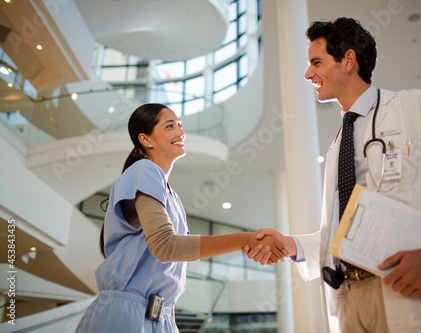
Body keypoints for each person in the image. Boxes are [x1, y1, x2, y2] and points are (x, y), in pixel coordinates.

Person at [244, 17, 421, 333]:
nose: (308, 74)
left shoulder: (416, 107)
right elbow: (346, 232)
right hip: (350, 299)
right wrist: (291, 244)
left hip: (410, 290)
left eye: (316, 62)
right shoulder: (339, 143)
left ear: (348, 60)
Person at [76, 103, 287, 333]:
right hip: (128, 316)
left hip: (162, 316)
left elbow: (172, 267)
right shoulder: (144, 170)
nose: (180, 132)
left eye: (180, 125)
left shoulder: (172, 197)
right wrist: (246, 240)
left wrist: (170, 317)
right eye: (170, 126)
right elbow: (166, 247)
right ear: (146, 140)